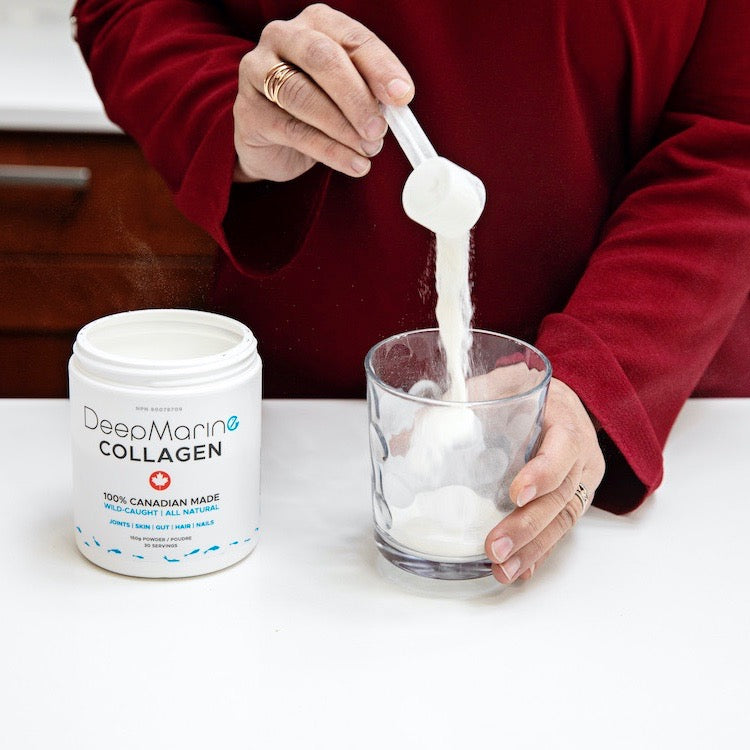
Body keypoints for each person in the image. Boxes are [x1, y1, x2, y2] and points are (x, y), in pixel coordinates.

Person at [72, 1, 750, 585]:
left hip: (649, 401)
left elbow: (730, 136)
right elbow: (128, 10)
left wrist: (602, 372)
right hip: (297, 439)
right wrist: (232, 105)